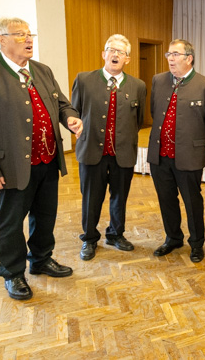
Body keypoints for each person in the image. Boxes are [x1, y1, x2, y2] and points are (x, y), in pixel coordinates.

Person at [0, 17, 83, 300]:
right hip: (9, 166)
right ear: (2, 40)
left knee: (45, 216)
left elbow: (62, 104)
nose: (28, 40)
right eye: (20, 35)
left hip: (48, 161)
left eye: (30, 35)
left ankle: (41, 259)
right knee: (10, 223)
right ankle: (13, 273)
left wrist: (70, 118)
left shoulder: (42, 70)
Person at [71, 34, 146, 261]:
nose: (115, 54)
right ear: (104, 54)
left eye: (120, 52)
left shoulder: (138, 86)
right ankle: (89, 238)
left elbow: (139, 120)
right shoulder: (84, 80)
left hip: (123, 153)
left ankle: (115, 234)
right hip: (91, 151)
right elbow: (74, 112)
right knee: (91, 198)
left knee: (119, 197)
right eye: (111, 50)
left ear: (127, 59)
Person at [147, 39, 205, 262]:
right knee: (166, 199)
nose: (170, 58)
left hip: (189, 157)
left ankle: (197, 243)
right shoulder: (158, 80)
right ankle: (173, 238)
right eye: (169, 54)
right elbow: (154, 111)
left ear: (189, 58)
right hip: (160, 156)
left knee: (192, 201)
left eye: (175, 54)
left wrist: (194, 144)